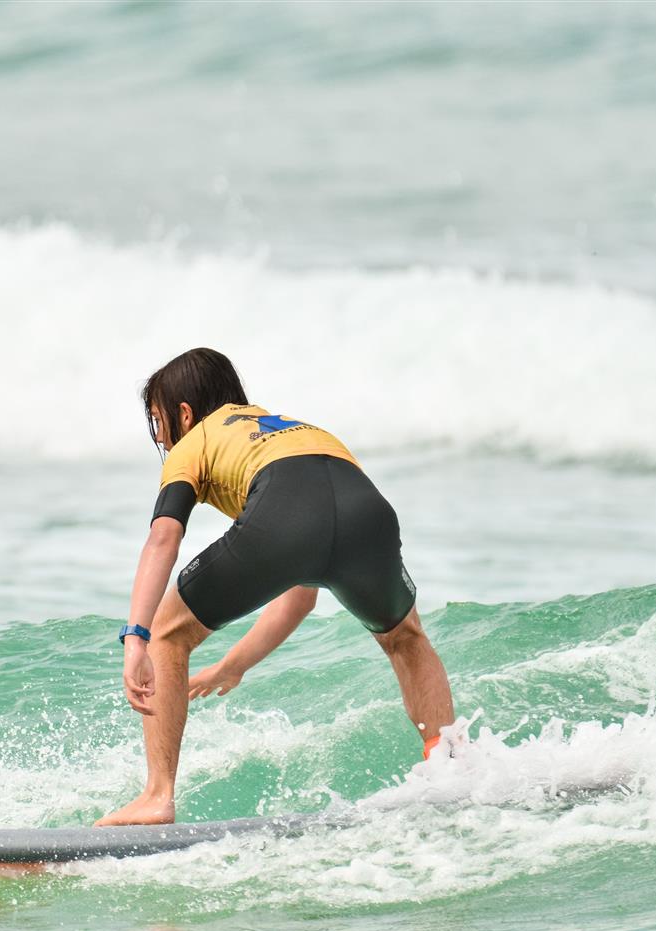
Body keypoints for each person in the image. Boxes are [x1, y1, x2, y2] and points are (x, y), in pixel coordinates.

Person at [98, 347, 455, 827]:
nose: (161, 439)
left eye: (158, 423)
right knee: (405, 637)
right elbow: (302, 589)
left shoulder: (194, 442)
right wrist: (232, 665)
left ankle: (157, 796)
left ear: (184, 414)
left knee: (168, 630)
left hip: (286, 506)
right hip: (367, 509)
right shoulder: (292, 428)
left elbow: (165, 535)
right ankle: (452, 769)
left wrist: (137, 636)